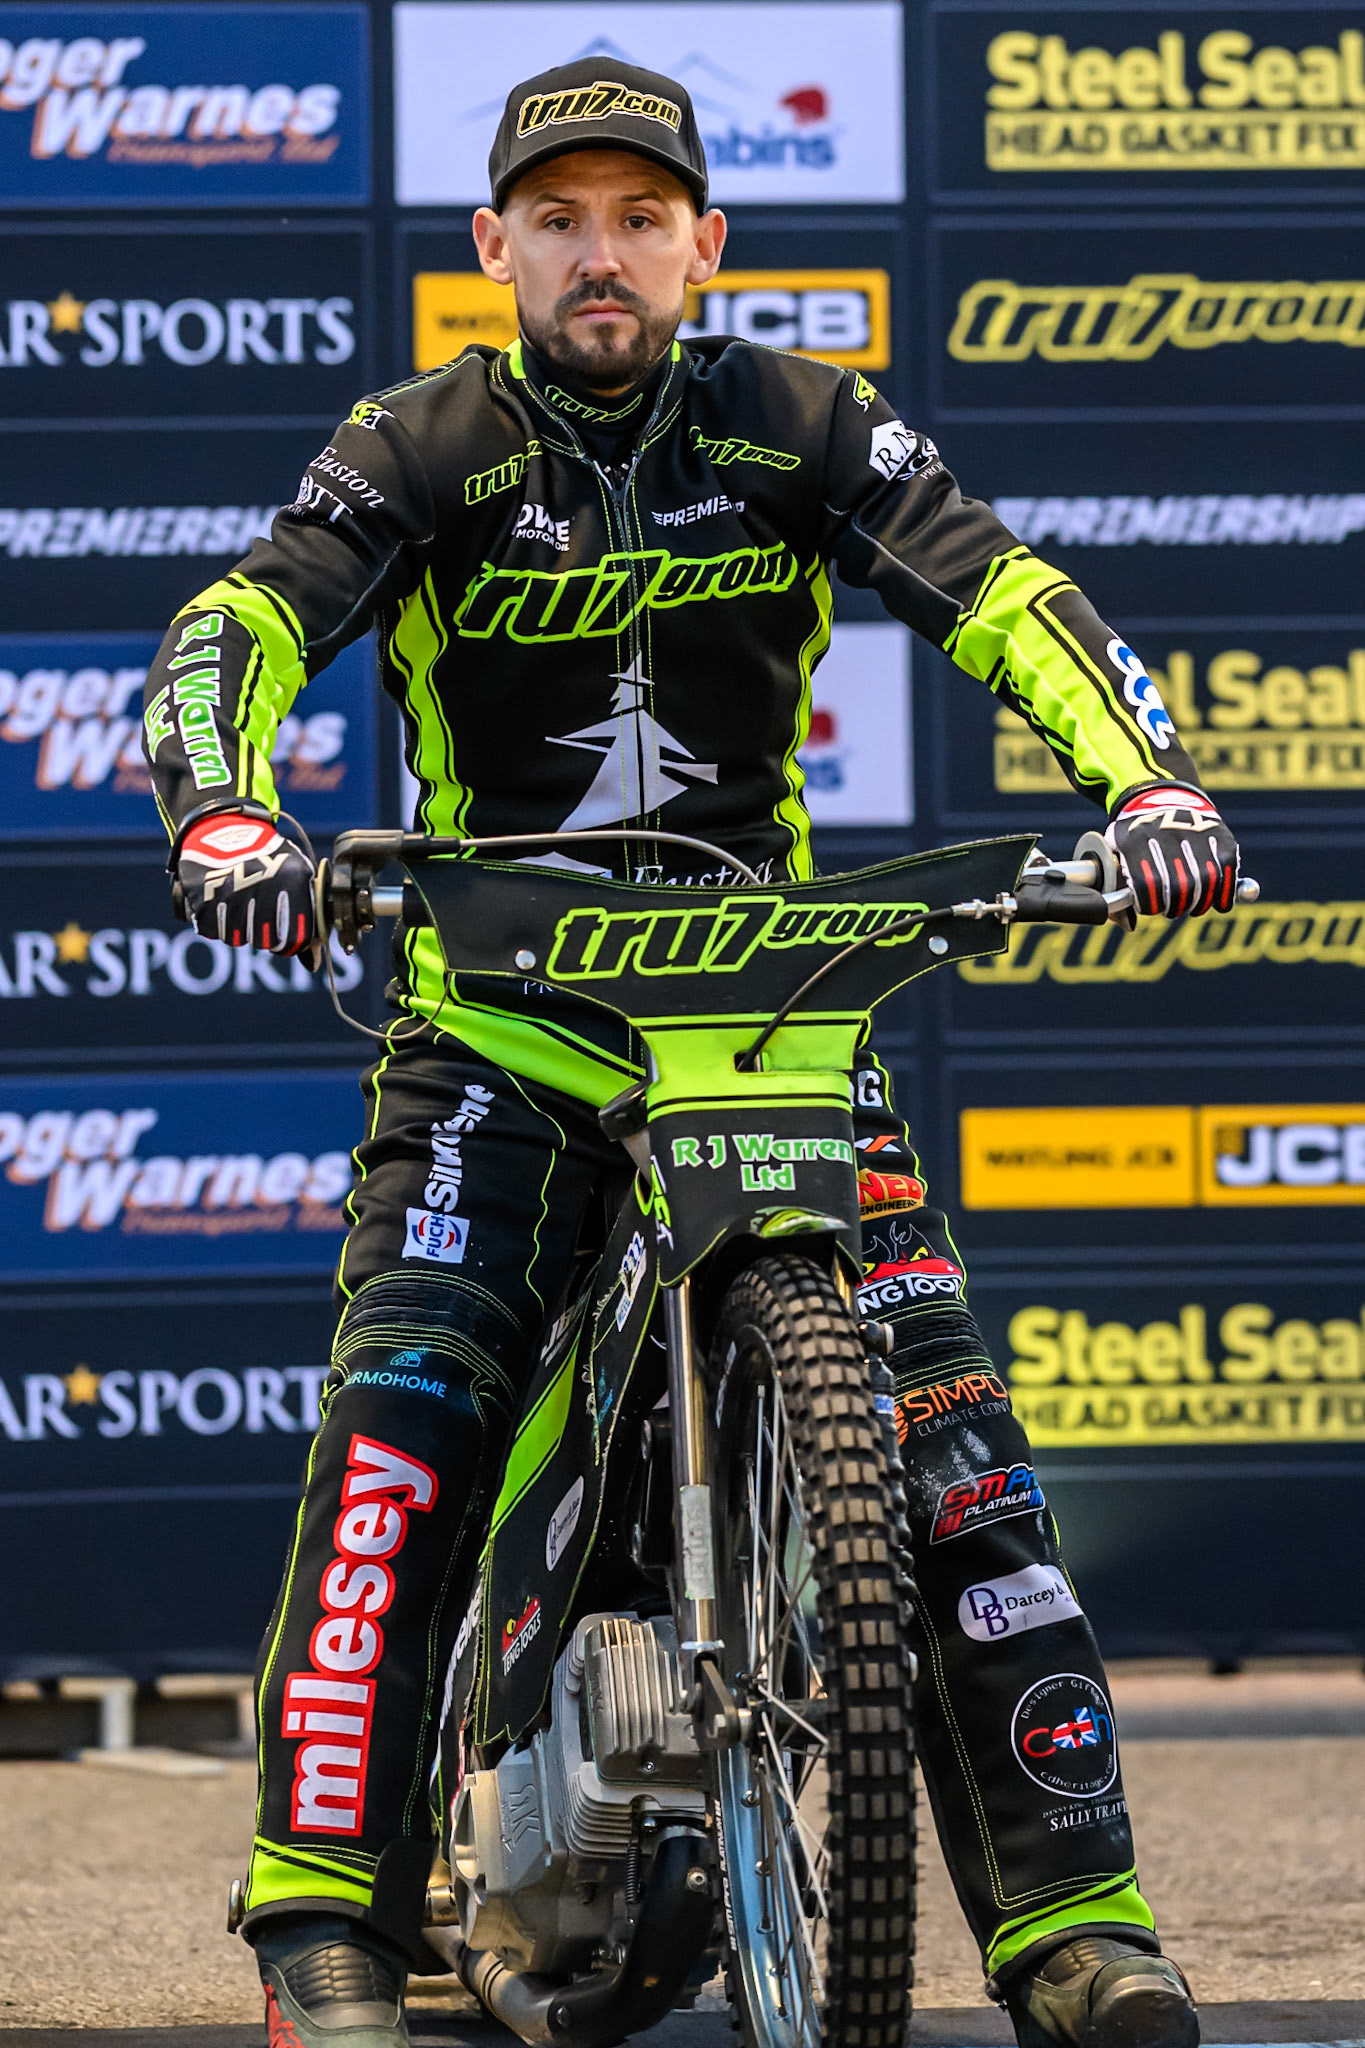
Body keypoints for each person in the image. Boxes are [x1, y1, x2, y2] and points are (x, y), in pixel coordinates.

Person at [143, 58, 1238, 2048]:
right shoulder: (415, 441)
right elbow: (244, 622)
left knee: (948, 1455)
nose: (600, 253)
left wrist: (1143, 779)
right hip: (501, 1020)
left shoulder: (796, 417)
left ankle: (1079, 1922)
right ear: (491, 249)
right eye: (555, 218)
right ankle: (329, 1921)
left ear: (703, 245)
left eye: (639, 217)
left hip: (767, 1013)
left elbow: (994, 588)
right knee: (406, 1428)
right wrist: (223, 812)